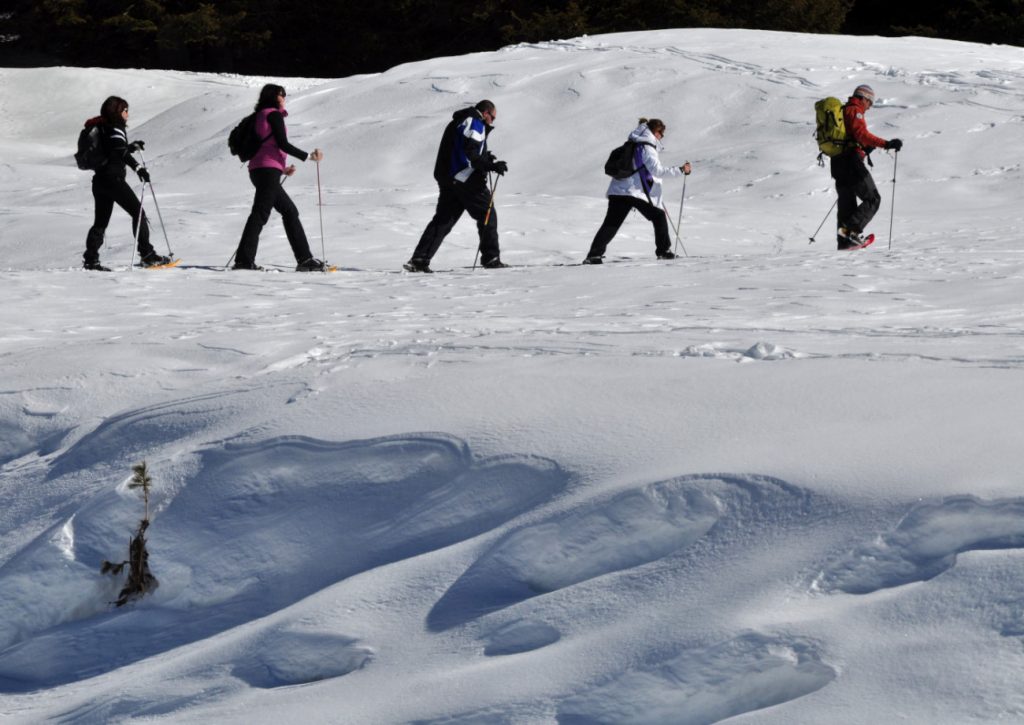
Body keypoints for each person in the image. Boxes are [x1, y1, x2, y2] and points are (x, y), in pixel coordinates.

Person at [404, 100, 509, 273]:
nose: (492, 122)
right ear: (485, 113)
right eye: (492, 118)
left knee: (444, 220)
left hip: (448, 178)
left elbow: (462, 148)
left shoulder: (459, 121)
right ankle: (491, 258)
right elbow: (470, 152)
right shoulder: (474, 121)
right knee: (487, 214)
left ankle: (420, 259)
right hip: (465, 178)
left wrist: (485, 156)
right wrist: (490, 165)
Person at [233, 84, 326, 271]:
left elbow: (265, 148)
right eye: (281, 94)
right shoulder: (273, 115)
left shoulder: (259, 115)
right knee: (260, 214)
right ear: (273, 96)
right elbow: (282, 144)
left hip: (259, 171)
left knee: (289, 211)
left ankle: (304, 259)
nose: (284, 97)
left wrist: (281, 169)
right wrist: (308, 156)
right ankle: (244, 261)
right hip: (267, 172)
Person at [81, 96, 171, 271]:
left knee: (100, 222)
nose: (128, 114)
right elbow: (119, 151)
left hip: (99, 181)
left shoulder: (103, 126)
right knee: (139, 214)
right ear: (117, 112)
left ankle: (91, 260)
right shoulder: (116, 127)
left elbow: (114, 150)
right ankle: (147, 255)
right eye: (125, 110)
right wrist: (138, 168)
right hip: (113, 180)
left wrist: (131, 147)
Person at [584, 118, 691, 264]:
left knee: (611, 223)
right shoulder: (647, 147)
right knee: (659, 216)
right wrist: (681, 170)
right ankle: (663, 251)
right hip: (632, 191)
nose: (662, 137)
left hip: (618, 190)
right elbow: (657, 171)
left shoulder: (634, 143)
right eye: (661, 133)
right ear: (655, 131)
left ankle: (593, 255)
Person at [831, 84, 902, 250]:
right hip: (850, 162)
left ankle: (845, 242)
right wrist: (886, 144)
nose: (869, 107)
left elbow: (850, 139)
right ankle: (849, 233)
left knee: (846, 203)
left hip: (837, 163)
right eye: (870, 103)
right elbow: (861, 134)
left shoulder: (842, 110)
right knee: (873, 199)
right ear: (863, 98)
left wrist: (863, 149)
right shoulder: (854, 111)